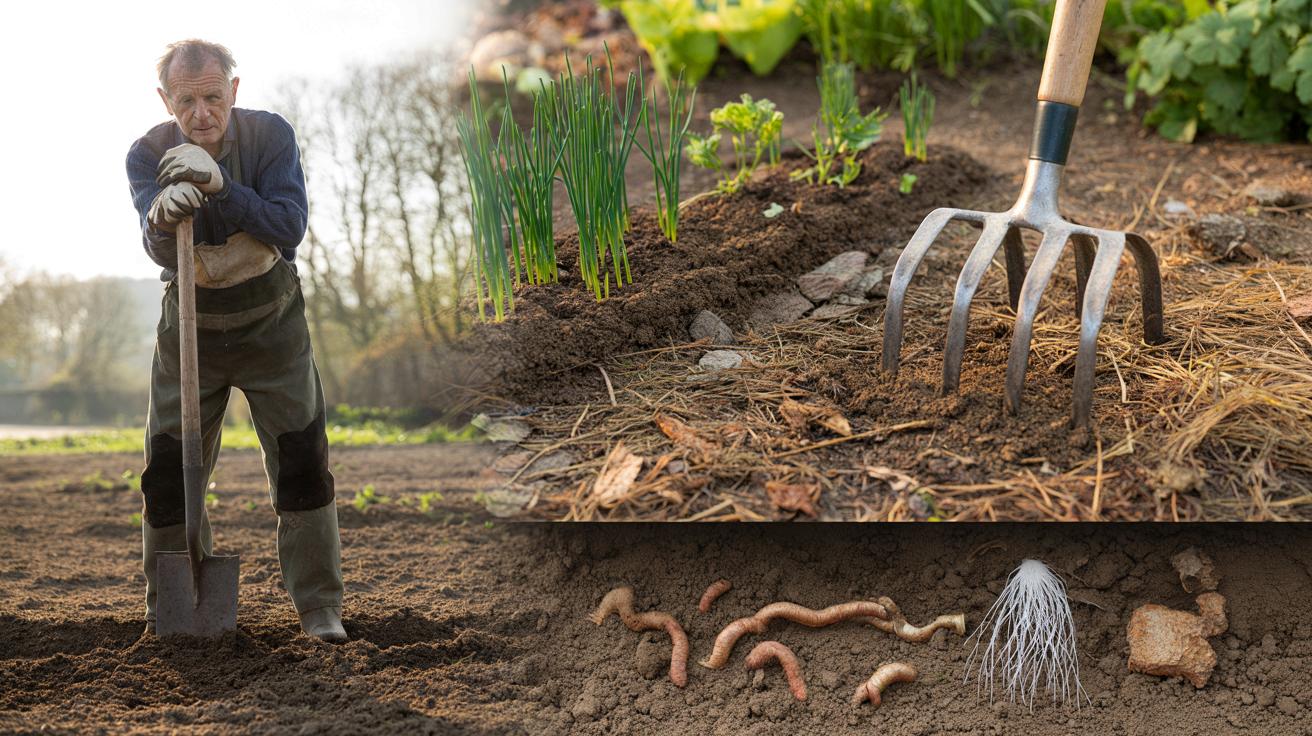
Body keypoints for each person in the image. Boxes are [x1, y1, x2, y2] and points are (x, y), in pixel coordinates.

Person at [126, 39, 345, 642]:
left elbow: (289, 225)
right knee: (169, 470)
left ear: (235, 91)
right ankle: (170, 609)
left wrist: (222, 185)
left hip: (272, 328)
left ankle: (319, 606)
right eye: (187, 101)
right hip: (189, 335)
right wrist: (160, 216)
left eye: (213, 97)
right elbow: (153, 246)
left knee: (303, 460)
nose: (201, 114)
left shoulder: (271, 138)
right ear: (166, 100)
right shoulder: (147, 154)